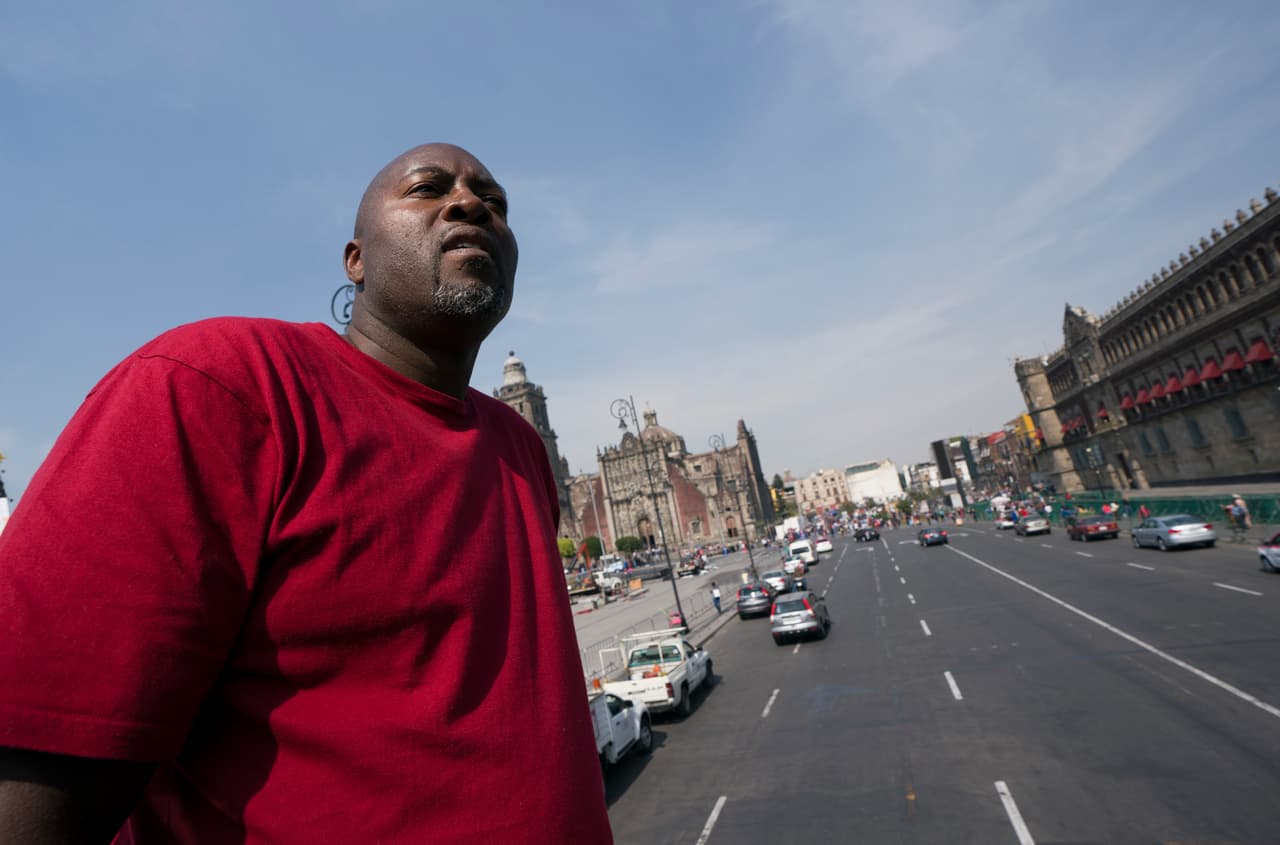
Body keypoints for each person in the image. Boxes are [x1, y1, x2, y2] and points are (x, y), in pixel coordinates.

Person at [0, 144, 613, 844]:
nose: (471, 204)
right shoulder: (216, 386)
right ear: (356, 259)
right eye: (427, 189)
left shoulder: (521, 447)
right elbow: (38, 779)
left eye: (495, 204)